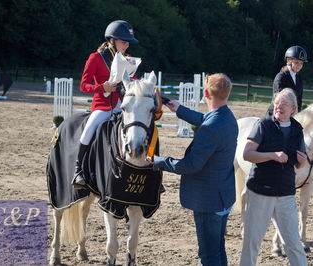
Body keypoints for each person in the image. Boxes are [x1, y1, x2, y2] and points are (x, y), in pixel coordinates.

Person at [148, 73, 238, 265]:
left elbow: (190, 166)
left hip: (208, 202)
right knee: (218, 250)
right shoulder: (228, 117)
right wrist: (179, 109)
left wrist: (158, 160)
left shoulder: (211, 127)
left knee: (208, 255)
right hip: (223, 196)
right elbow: (207, 119)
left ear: (206, 93)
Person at [240, 88, 308, 266]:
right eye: (276, 103)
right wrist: (271, 155)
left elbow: (298, 164)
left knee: (293, 243)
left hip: (286, 193)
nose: (278, 107)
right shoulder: (263, 125)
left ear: (293, 108)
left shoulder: (297, 129)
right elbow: (247, 154)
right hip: (261, 192)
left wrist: (301, 162)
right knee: (251, 243)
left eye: (283, 104)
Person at [72, 20, 138, 189]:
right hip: (102, 106)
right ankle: (79, 170)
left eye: (127, 42)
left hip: (122, 106)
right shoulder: (96, 58)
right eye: (123, 41)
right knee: (89, 130)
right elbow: (83, 85)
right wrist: (102, 87)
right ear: (111, 40)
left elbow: (134, 82)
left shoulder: (129, 59)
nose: (126, 45)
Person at [267, 45, 308, 115]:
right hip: (277, 113)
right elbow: (279, 98)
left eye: (301, 63)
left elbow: (299, 100)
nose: (299, 66)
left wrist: (298, 114)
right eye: (296, 62)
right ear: (288, 60)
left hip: (292, 114)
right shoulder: (281, 76)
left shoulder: (299, 78)